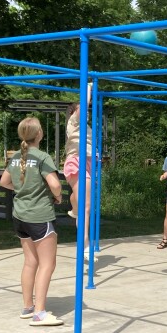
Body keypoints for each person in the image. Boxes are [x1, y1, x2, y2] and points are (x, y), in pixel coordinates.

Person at [0, 117, 64, 326]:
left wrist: (22, 190)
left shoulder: (17, 156)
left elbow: (4, 182)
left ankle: (28, 306)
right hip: (39, 216)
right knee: (48, 264)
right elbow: (55, 184)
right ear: (39, 135)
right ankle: (40, 313)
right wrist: (59, 196)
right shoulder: (42, 157)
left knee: (30, 262)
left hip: (20, 216)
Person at [63, 100, 93, 244]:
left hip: (87, 163)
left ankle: (74, 206)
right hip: (75, 162)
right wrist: (88, 88)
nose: (86, 111)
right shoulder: (73, 123)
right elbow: (83, 107)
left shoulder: (86, 127)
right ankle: (85, 242)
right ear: (74, 112)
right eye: (82, 108)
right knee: (86, 206)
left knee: (81, 203)